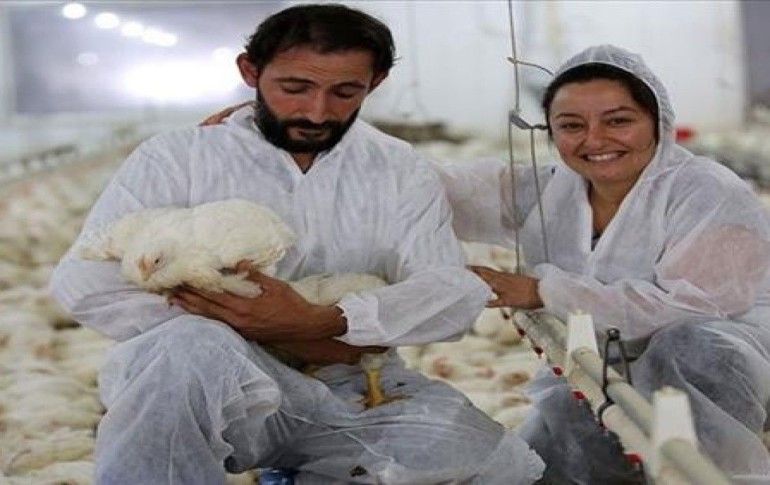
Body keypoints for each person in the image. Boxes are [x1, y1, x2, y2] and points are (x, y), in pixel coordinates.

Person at [49, 4, 544, 484]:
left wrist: (327, 322)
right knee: (186, 350)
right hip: (203, 385)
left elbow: (447, 290)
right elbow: (86, 280)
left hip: (348, 385)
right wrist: (270, 332)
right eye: (295, 87)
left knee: (493, 463)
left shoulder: (398, 169)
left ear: (375, 83)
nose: (317, 111)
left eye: (345, 92)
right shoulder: (179, 158)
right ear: (250, 71)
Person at [437, 45, 770, 483]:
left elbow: (691, 309)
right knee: (542, 465)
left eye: (618, 121)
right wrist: (359, 157)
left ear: (658, 122)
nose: (594, 141)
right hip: (609, 364)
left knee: (689, 360)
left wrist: (540, 291)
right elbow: (442, 191)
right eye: (571, 126)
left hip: (719, 368)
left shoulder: (706, 192)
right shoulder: (553, 188)